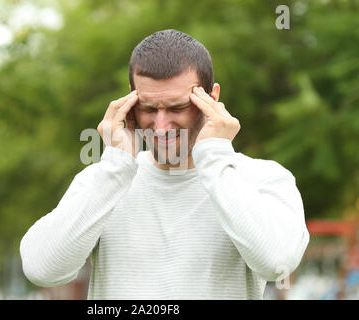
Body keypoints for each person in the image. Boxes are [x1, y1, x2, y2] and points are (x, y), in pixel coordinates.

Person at [20, 29, 310, 299]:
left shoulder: (262, 178)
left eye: (177, 107)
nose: (160, 126)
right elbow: (42, 269)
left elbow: (278, 262)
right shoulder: (105, 179)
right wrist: (116, 165)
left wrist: (215, 156)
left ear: (211, 98)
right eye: (148, 108)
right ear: (130, 102)